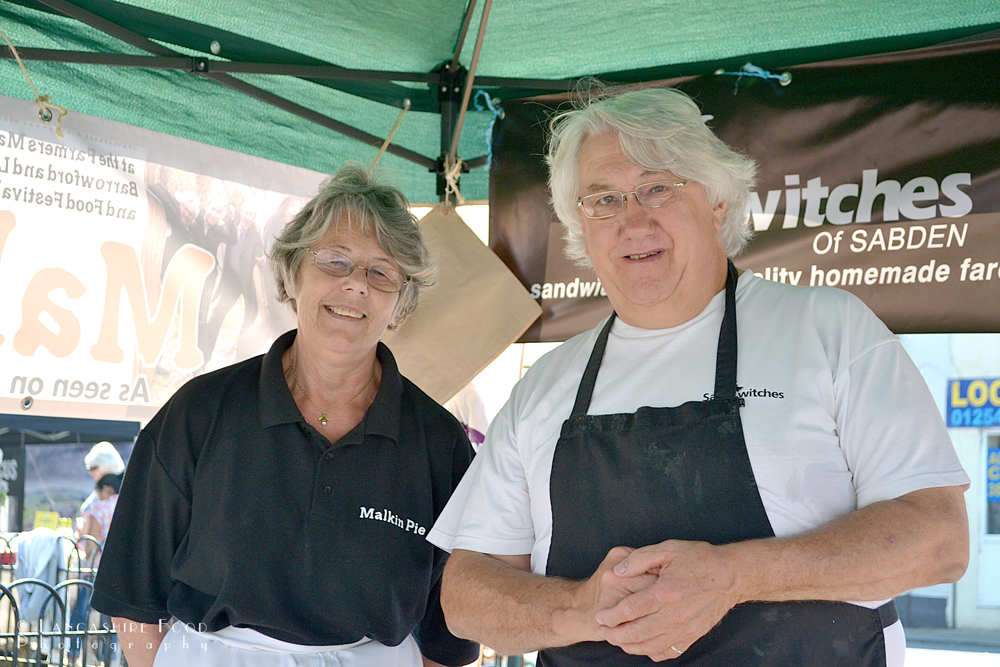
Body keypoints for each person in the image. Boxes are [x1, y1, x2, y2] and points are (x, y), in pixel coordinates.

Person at [427, 87, 971, 667]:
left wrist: (730, 576)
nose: (632, 220)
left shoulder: (827, 330)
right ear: (579, 225)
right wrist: (582, 610)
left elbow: (937, 539)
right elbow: (466, 593)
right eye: (603, 200)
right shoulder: (544, 386)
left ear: (717, 201)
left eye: (658, 188)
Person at [91, 164, 480, 667]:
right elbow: (133, 597)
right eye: (335, 261)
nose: (357, 285)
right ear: (293, 273)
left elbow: (447, 640)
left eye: (381, 272)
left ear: (401, 301)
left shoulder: (439, 443)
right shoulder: (199, 414)